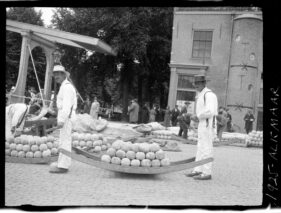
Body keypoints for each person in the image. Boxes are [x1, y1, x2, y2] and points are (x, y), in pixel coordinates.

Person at [185, 75, 218, 180]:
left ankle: (207, 172)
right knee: (200, 147)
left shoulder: (209, 95)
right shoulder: (201, 94)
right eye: (195, 84)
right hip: (203, 123)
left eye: (198, 83)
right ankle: (198, 169)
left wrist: (197, 116)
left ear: (204, 84)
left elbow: (210, 111)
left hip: (208, 124)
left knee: (207, 147)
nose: (196, 86)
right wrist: (198, 118)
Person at [49, 65, 77, 174]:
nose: (56, 76)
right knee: (63, 141)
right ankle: (62, 163)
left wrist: (61, 120)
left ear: (63, 75)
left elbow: (66, 106)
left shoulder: (67, 87)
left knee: (64, 141)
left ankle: (63, 166)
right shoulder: (63, 86)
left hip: (67, 117)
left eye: (58, 74)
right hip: (66, 117)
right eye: (55, 74)